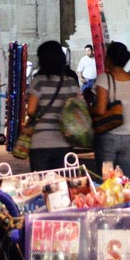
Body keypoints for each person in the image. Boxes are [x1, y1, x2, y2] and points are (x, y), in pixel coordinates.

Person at [24, 42, 77, 171]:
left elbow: (30, 111)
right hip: (65, 141)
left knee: (41, 184)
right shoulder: (71, 82)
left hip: (40, 142)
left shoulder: (38, 82)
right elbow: (79, 110)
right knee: (62, 186)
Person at [94, 42, 130, 176]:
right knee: (127, 181)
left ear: (109, 59)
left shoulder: (104, 79)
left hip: (108, 135)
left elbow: (100, 110)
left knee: (106, 182)